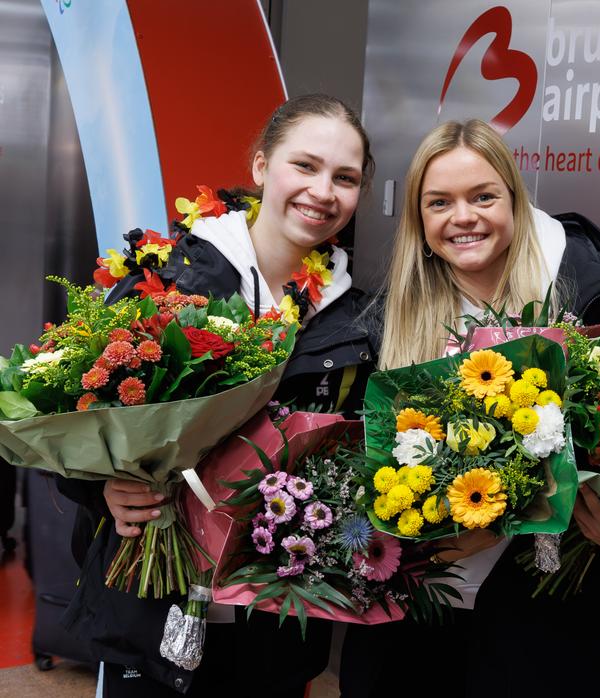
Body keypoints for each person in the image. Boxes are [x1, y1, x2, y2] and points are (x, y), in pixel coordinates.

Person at [57, 94, 378, 697]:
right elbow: (73, 419)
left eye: (345, 177)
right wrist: (102, 490)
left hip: (276, 615)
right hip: (152, 599)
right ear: (261, 167)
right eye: (304, 166)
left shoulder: (356, 320)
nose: (323, 191)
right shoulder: (168, 278)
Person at [339, 119, 600, 698]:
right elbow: (346, 474)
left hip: (547, 629)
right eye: (440, 202)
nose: (463, 217)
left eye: (483, 196)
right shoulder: (388, 319)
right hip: (412, 628)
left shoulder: (588, 300)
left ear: (515, 198)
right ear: (420, 220)